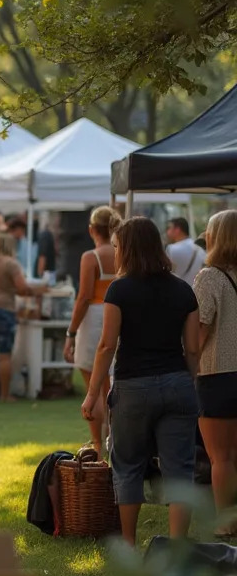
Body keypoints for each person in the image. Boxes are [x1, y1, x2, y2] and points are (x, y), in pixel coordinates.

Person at [82, 216, 200, 546]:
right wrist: (189, 384)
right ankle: (177, 551)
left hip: (133, 387)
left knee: (129, 465)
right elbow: (192, 348)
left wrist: (92, 395)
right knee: (180, 471)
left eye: (118, 247)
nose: (115, 253)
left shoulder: (119, 289)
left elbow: (107, 345)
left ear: (128, 249)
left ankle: (129, 546)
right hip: (177, 383)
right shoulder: (183, 290)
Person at [193, 210, 237, 536]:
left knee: (220, 457)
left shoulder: (210, 277)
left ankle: (226, 524)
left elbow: (199, 332)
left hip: (217, 374)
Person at [64, 206, 121, 449]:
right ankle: (114, 438)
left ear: (91, 229)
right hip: (119, 312)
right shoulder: (122, 251)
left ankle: (97, 442)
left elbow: (84, 296)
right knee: (111, 383)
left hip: (95, 315)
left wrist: (71, 332)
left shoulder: (91, 257)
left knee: (93, 386)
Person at [0, 233, 46, 402]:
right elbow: (21, 287)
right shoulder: (10, 264)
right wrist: (34, 291)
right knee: (4, 355)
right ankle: (4, 394)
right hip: (4, 310)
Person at [166, 216, 205, 284]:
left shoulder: (171, 249)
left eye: (169, 228)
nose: (167, 232)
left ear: (177, 229)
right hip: (194, 291)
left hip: (178, 291)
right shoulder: (200, 250)